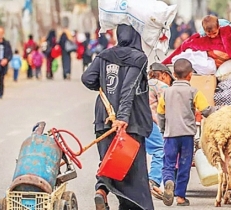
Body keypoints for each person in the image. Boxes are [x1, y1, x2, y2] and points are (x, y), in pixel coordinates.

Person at [81, 24, 154, 210]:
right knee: (130, 167)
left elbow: (88, 78)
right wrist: (122, 117)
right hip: (128, 122)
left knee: (108, 160)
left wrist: (104, 85)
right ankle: (133, 206)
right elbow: (128, 89)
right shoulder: (139, 58)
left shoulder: (105, 55)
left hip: (103, 117)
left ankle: (102, 191)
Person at [157, 58, 215, 206]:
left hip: (170, 135)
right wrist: (219, 112)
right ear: (190, 75)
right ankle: (181, 197)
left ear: (174, 75)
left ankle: (169, 181)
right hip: (187, 136)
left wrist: (164, 129)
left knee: (168, 163)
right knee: (184, 165)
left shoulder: (166, 93)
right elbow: (205, 110)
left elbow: (160, 114)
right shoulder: (194, 92)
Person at [146, 62, 175, 200]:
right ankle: (153, 181)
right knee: (160, 150)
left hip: (135, 123)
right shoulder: (161, 86)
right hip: (151, 124)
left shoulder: (143, 83)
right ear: (164, 75)